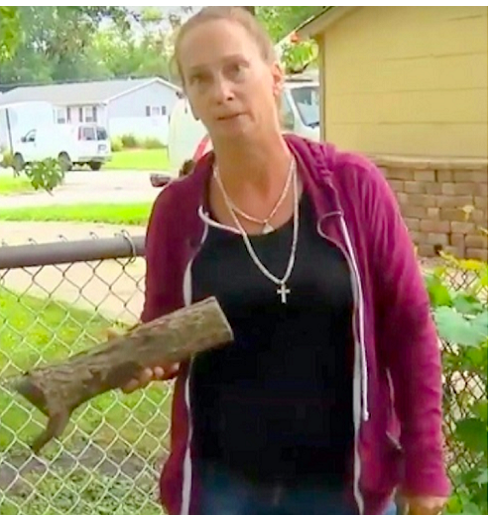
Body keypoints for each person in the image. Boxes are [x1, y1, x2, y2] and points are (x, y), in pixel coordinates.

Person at [122, 7, 450, 515]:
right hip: (223, 489)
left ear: (274, 75)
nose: (222, 91)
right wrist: (141, 358)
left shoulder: (351, 187)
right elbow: (167, 333)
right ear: (188, 98)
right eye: (200, 78)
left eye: (236, 69)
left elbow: (410, 330)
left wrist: (425, 468)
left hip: (346, 487)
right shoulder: (177, 212)